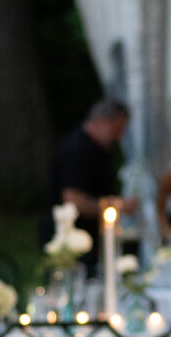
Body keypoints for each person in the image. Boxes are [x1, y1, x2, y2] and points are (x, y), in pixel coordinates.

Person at [45, 98, 133, 240]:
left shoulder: (100, 150)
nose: (119, 136)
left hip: (93, 236)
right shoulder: (77, 149)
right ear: (102, 122)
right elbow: (73, 199)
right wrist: (115, 207)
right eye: (117, 129)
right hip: (72, 238)